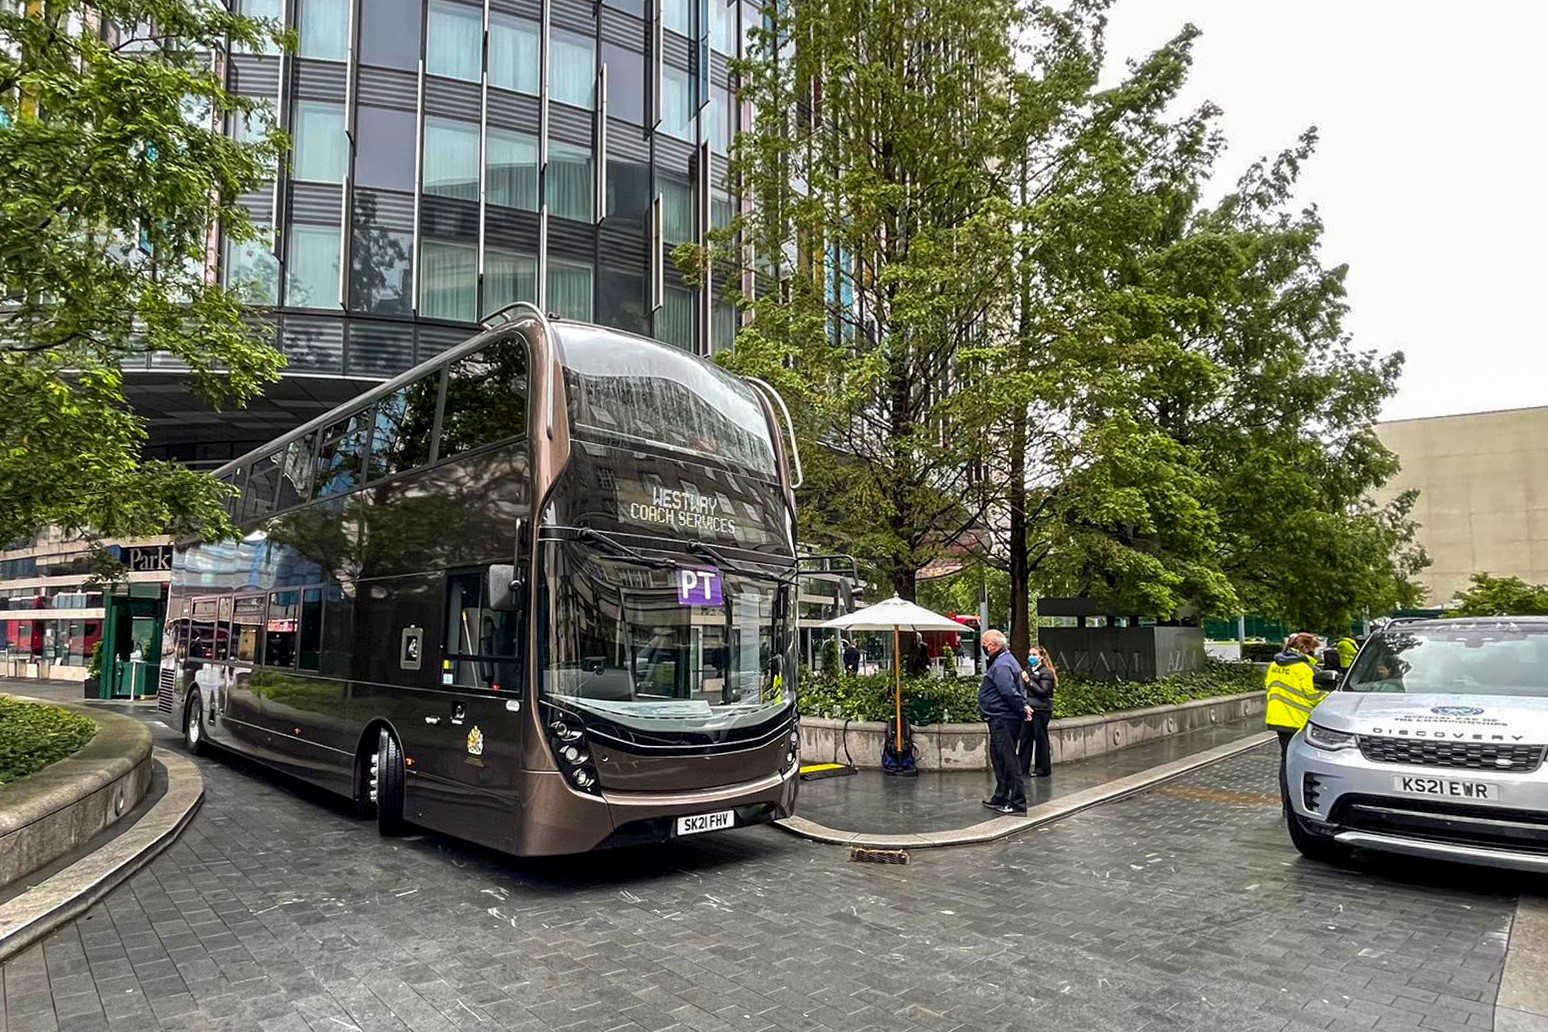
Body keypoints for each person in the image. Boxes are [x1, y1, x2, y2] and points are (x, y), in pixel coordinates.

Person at [1264, 633, 1327, 812]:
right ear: (1305, 648)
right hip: (1297, 722)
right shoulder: (1304, 669)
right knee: (1299, 764)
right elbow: (1314, 696)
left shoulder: (1274, 665)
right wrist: (1331, 696)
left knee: (1285, 762)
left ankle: (1286, 805)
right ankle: (1299, 806)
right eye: (1313, 648)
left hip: (1278, 720)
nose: (1315, 652)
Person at [978, 629, 1032, 814]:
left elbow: (1008, 691)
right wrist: (1023, 706)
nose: (983, 647)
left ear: (993, 645)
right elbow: (1018, 688)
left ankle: (1017, 801)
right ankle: (1001, 796)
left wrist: (1021, 707)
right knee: (999, 757)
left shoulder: (1001, 665)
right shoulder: (1008, 660)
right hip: (1003, 717)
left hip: (1003, 718)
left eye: (984, 644)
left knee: (1008, 759)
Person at [1018, 645, 1056, 777]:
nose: (1031, 657)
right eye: (1030, 655)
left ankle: (1042, 768)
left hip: (1041, 709)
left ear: (1041, 657)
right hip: (1029, 707)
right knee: (1025, 737)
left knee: (1040, 738)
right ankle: (1022, 767)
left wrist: (1028, 681)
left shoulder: (1046, 673)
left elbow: (1043, 691)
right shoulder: (1028, 670)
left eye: (1034, 655)